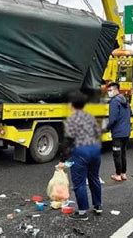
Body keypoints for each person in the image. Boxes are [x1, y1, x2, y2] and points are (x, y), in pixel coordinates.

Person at [58, 91, 102, 221]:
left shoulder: (72, 119)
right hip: (95, 150)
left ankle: (82, 212)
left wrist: (62, 159)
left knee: (79, 183)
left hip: (81, 152)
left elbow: (68, 140)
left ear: (72, 104)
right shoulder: (90, 117)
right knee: (94, 178)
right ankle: (98, 205)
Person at [106, 82, 131, 182]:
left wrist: (107, 127)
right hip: (126, 132)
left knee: (117, 154)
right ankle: (123, 174)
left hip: (118, 133)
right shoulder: (125, 100)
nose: (108, 93)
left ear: (116, 90)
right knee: (123, 153)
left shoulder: (114, 102)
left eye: (110, 90)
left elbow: (113, 119)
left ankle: (117, 174)